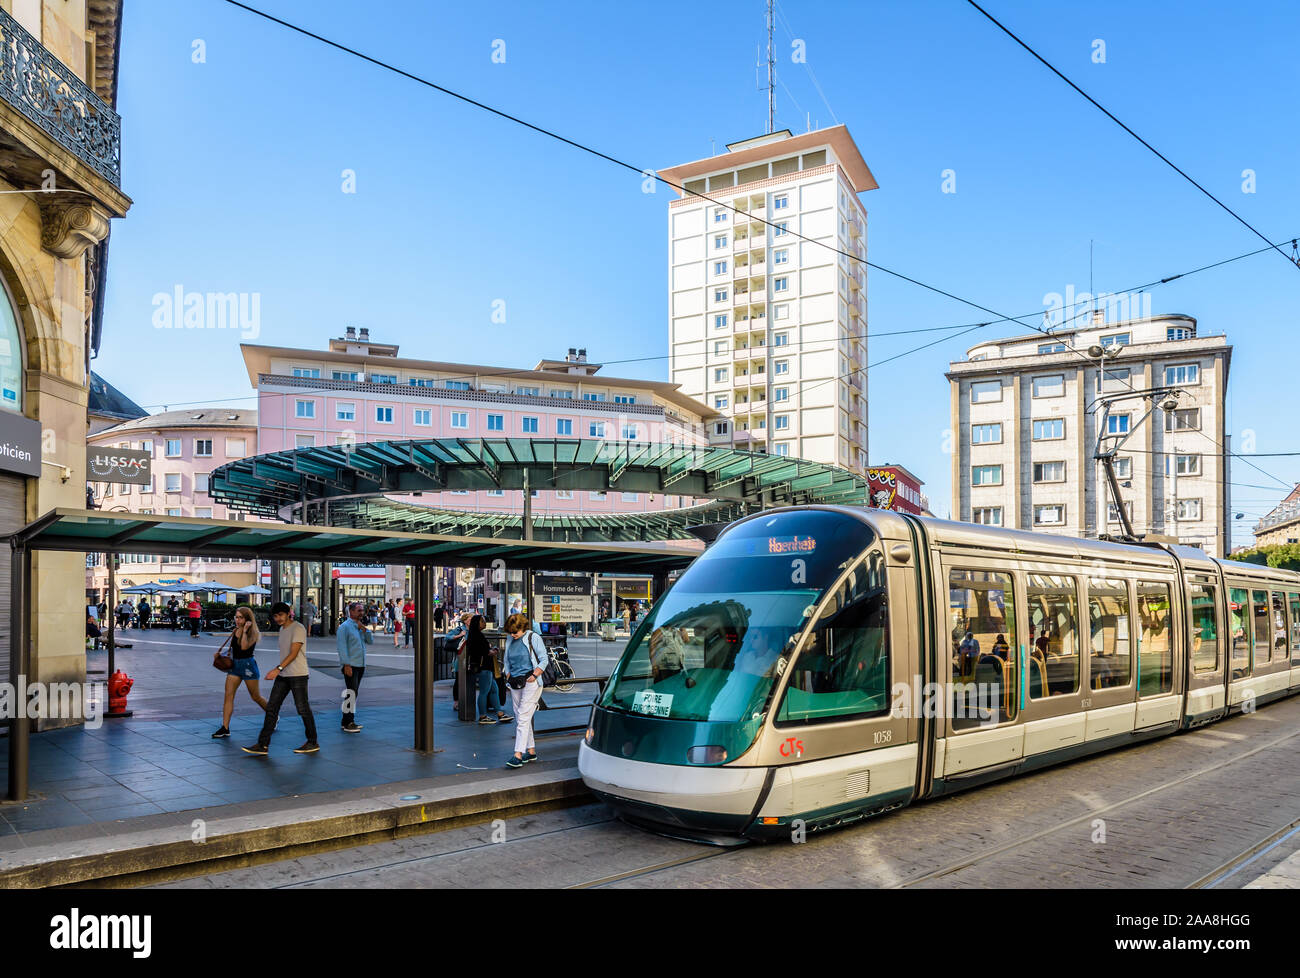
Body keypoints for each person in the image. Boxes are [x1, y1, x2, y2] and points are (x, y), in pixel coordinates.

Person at [242, 602, 318, 755]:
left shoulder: (298, 628)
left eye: (281, 615)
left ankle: (312, 742)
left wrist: (277, 669)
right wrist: (280, 671)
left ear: (288, 613)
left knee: (303, 709)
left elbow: (294, 652)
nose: (278, 619)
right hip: (284, 675)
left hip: (297, 675)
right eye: (275, 616)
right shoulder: (283, 630)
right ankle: (262, 745)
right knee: (271, 709)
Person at [502, 612, 550, 768]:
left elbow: (544, 659)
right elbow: (506, 658)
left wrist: (535, 675)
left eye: (515, 632)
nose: (512, 634)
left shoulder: (533, 637)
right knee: (521, 716)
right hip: (515, 681)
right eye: (510, 632)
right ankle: (530, 750)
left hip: (531, 681)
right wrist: (507, 673)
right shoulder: (510, 638)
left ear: (523, 628)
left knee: (522, 715)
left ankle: (518, 754)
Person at [212, 606, 269, 739]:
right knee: (228, 695)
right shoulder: (235, 630)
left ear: (247, 619)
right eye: (236, 617)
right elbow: (234, 649)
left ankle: (272, 714)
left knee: (255, 697)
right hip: (235, 666)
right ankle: (225, 727)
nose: (237, 620)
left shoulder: (253, 633)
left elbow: (244, 647)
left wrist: (245, 631)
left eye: (240, 617)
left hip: (248, 666)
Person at [466, 614, 511, 725]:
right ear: (477, 623)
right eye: (482, 621)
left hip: (484, 667)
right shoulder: (478, 636)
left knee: (494, 690)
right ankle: (483, 716)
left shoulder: (474, 635)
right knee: (484, 691)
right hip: (484, 667)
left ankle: (499, 713)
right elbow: (486, 652)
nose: (485, 623)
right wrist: (494, 651)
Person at [336, 600, 371, 733]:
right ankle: (348, 722)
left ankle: (347, 721)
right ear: (351, 612)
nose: (362, 613)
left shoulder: (359, 626)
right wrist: (346, 664)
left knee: (353, 693)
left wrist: (364, 629)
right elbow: (341, 647)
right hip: (351, 665)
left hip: (360, 664)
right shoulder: (344, 627)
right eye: (359, 610)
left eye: (362, 610)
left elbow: (370, 641)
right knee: (351, 693)